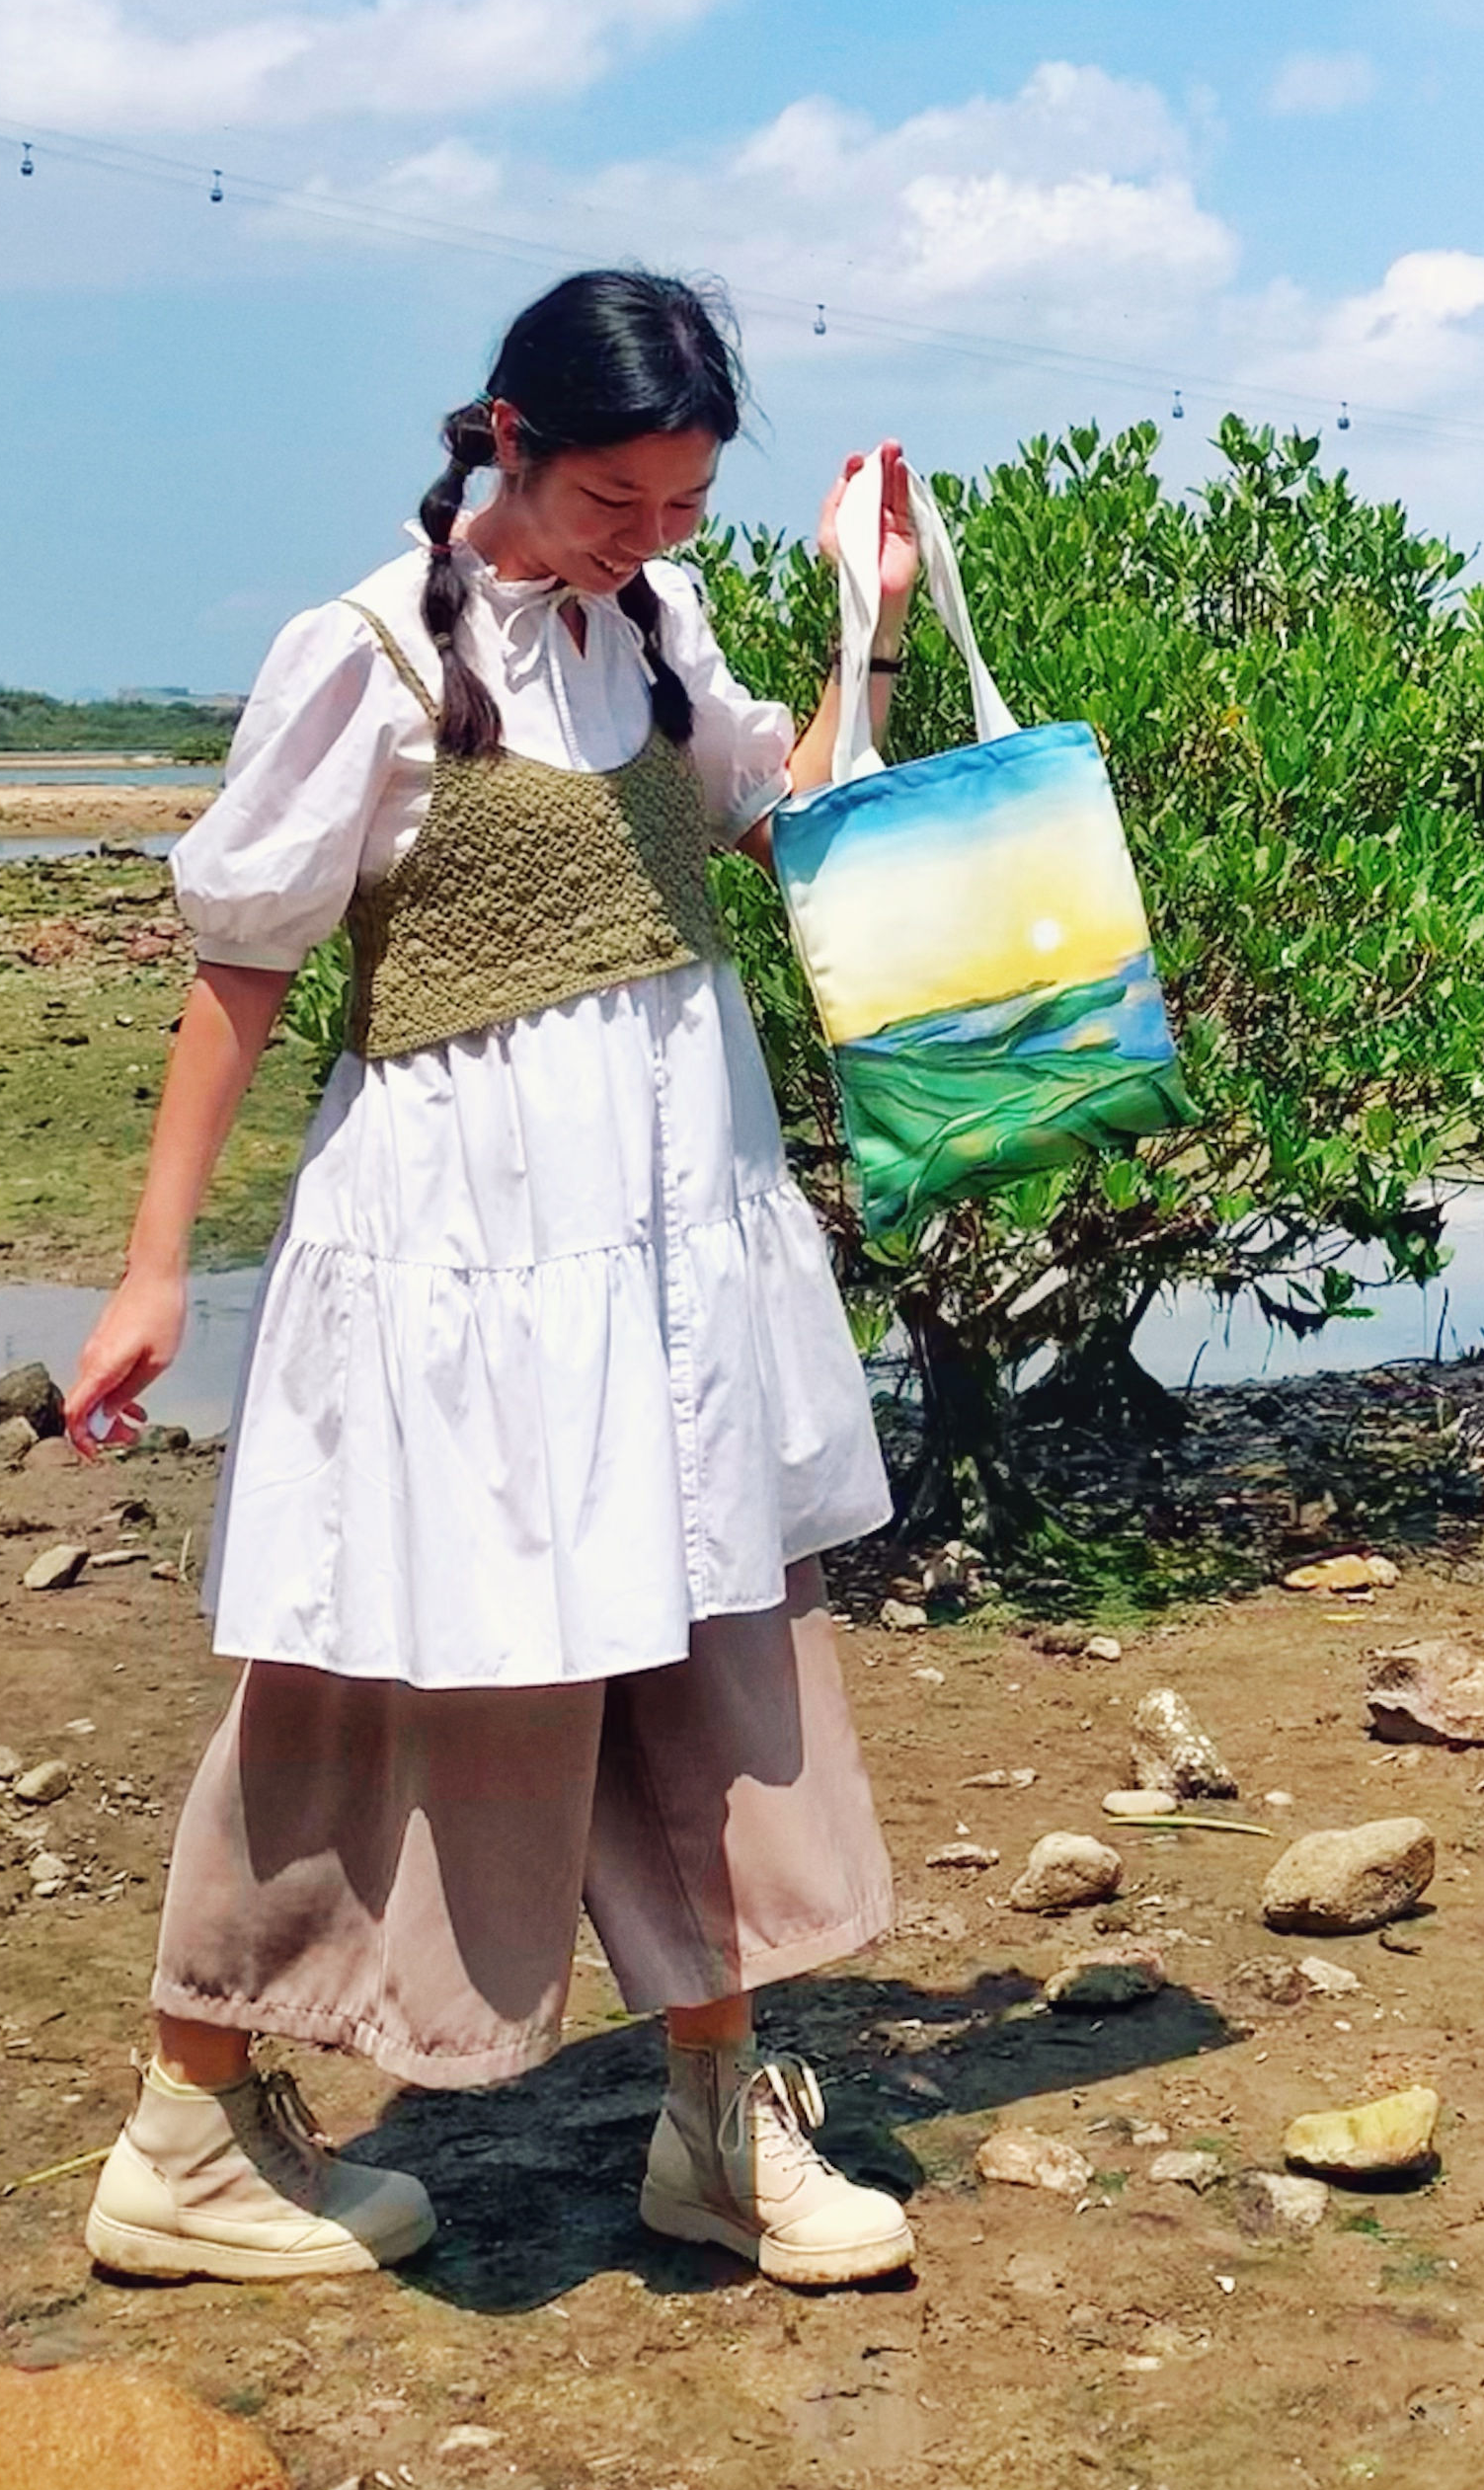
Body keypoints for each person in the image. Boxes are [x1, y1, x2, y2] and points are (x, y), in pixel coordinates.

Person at [64, 269, 920, 2291]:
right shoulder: (367, 652)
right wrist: (153, 1270)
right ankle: (186, 2130)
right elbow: (241, 971)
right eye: (617, 498)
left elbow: (779, 811)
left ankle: (721, 2120)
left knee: (712, 1641)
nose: (649, 536)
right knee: (377, 1672)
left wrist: (864, 615)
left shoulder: (657, 625)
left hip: (669, 1239)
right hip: (461, 1252)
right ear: (510, 438)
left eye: (684, 504)